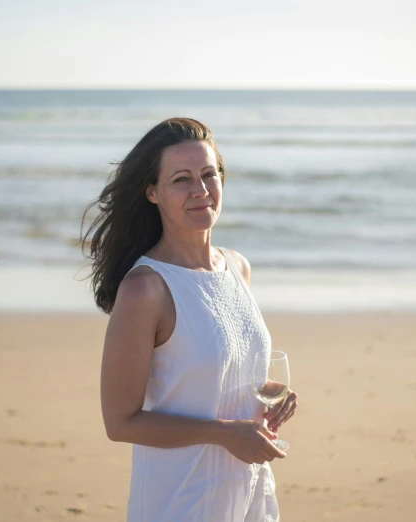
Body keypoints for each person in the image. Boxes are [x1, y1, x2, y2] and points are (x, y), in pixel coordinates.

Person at [82, 117, 299, 521]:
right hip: (181, 499)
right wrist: (224, 434)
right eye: (181, 179)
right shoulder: (146, 290)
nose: (200, 191)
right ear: (153, 192)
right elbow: (120, 421)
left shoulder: (237, 267)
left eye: (208, 175)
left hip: (249, 492)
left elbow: (209, 374)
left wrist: (266, 395)